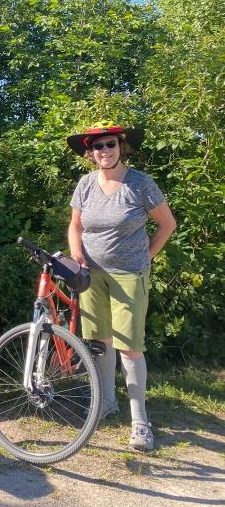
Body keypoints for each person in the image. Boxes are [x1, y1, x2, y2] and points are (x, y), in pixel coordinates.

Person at [66, 121, 176, 452]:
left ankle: (139, 421)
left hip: (130, 274)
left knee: (129, 345)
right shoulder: (85, 184)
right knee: (99, 341)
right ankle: (106, 403)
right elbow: (75, 226)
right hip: (91, 275)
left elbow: (167, 224)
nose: (104, 151)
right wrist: (76, 256)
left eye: (110, 144)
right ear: (90, 153)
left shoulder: (140, 184)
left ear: (121, 146)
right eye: (97, 146)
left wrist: (146, 257)